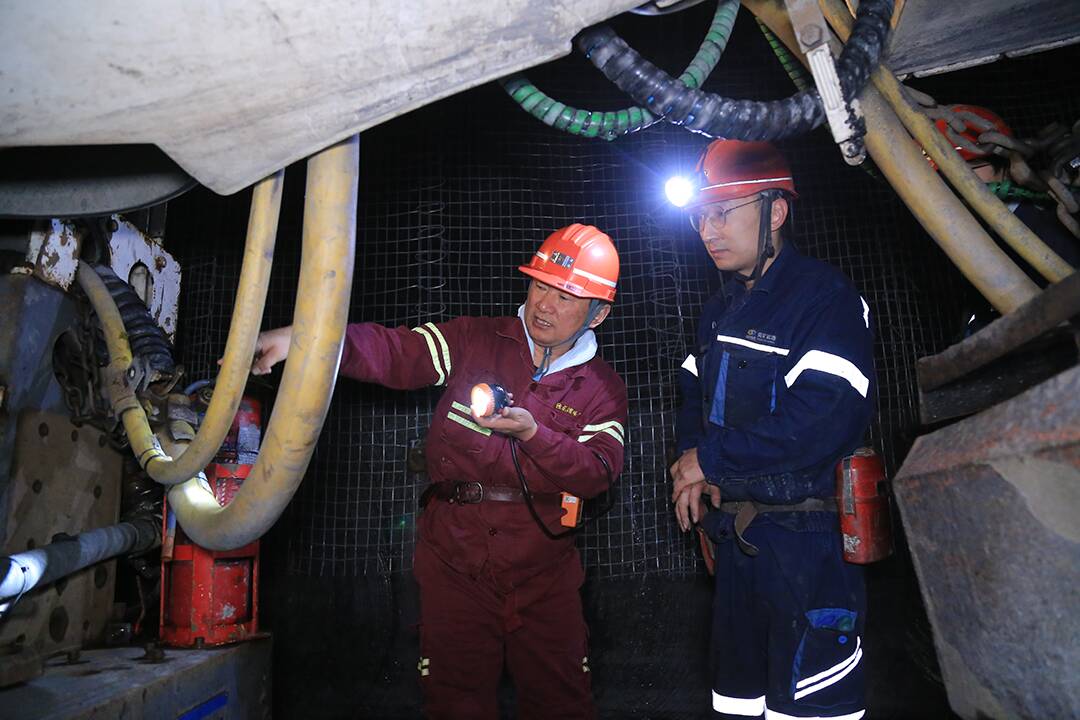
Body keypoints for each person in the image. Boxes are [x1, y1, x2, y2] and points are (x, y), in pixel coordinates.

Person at [251, 223, 627, 720]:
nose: (544, 305)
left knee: (561, 705)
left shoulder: (602, 388)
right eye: (540, 286)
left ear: (598, 313)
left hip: (544, 574)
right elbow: (397, 352)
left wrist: (533, 433)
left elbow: (597, 472)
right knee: (454, 703)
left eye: (565, 297)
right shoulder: (475, 339)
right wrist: (304, 340)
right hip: (454, 562)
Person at [668, 140, 876, 720]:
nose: (707, 230)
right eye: (700, 217)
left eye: (722, 213)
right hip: (737, 544)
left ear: (775, 211)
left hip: (807, 546)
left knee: (811, 708)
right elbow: (692, 395)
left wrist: (711, 461)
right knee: (736, 704)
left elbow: (825, 416)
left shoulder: (825, 298)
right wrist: (691, 460)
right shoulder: (719, 310)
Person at [932, 104, 1080, 335]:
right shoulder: (974, 241)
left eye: (967, 167)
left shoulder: (1045, 229)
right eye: (941, 175)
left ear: (1004, 166)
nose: (953, 182)